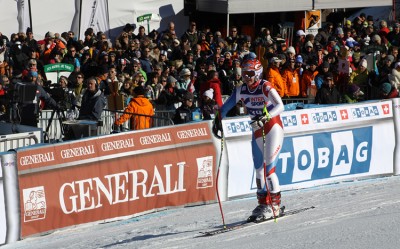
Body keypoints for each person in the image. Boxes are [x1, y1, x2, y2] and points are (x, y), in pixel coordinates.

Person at [213, 53, 284, 220]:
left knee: (269, 171)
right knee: (259, 171)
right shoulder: (241, 90)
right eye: (244, 74)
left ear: (258, 73)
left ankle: (275, 205)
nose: (247, 78)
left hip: (273, 127)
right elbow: (224, 108)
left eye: (250, 74)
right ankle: (263, 204)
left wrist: (265, 118)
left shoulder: (265, 86)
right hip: (257, 130)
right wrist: (218, 120)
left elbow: (281, 106)